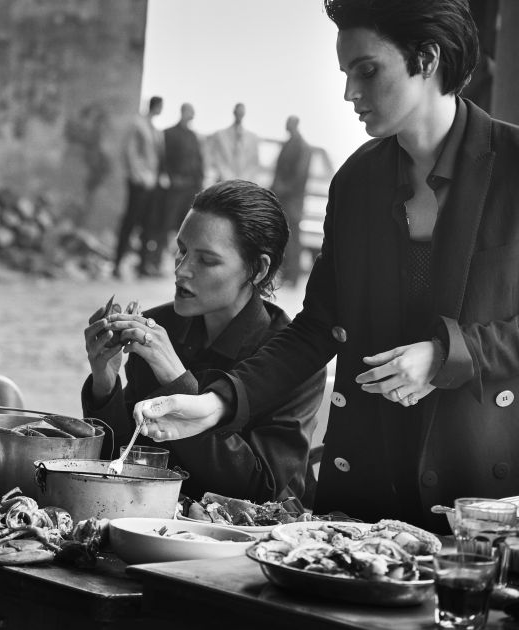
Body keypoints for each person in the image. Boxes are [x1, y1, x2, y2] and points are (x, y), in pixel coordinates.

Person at [134, 0, 519, 531]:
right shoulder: (356, 181)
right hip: (365, 476)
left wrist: (446, 356)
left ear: (426, 60)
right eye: (345, 73)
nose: (349, 93)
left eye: (367, 70)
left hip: (482, 488)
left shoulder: (515, 166)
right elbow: (316, 328)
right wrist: (218, 404)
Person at [82, 180, 327, 502]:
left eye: (207, 260)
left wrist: (176, 380)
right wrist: (105, 381)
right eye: (181, 251)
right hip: (155, 511)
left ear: (257, 269)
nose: (181, 271)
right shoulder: (160, 327)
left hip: (254, 531)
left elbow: (260, 486)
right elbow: (122, 457)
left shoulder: (291, 354)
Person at [113, 95, 165, 278]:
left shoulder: (156, 130)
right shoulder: (138, 124)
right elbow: (130, 151)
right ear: (156, 106)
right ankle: (117, 263)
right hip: (139, 182)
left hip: (151, 183)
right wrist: (138, 175)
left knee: (147, 223)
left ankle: (143, 266)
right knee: (130, 222)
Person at [156, 103, 204, 263]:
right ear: (183, 112)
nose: (191, 116)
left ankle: (179, 261)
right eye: (190, 112)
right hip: (175, 188)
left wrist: (199, 185)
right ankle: (156, 258)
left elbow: (198, 161)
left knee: (185, 227)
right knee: (165, 224)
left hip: (190, 189)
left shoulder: (193, 136)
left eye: (193, 113)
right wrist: (170, 178)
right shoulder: (169, 133)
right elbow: (163, 159)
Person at [271, 115, 314, 286]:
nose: (286, 126)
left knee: (293, 238)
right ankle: (286, 274)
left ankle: (292, 276)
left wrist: (283, 188)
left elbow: (300, 176)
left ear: (295, 125)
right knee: (284, 236)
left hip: (292, 201)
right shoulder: (289, 144)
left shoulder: (302, 147)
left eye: (289, 123)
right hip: (283, 199)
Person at [206, 103, 261, 184]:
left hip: (244, 184)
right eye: (238, 112)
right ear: (234, 112)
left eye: (241, 112)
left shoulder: (253, 138)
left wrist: (243, 180)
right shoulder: (220, 135)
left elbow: (253, 163)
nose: (239, 115)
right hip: (224, 181)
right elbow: (218, 159)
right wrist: (229, 178)